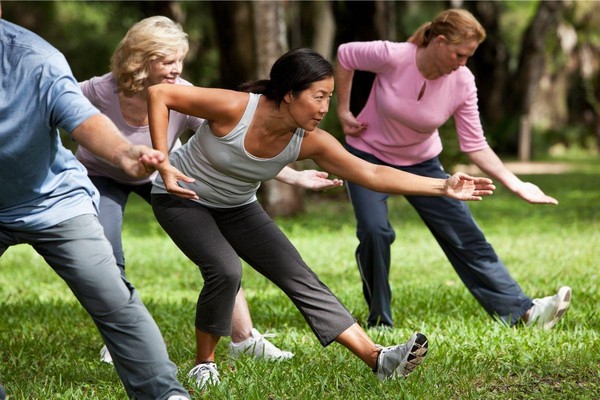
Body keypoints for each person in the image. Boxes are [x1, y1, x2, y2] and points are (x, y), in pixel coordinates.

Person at [146, 47, 495, 388]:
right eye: (318, 96)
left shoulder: (309, 141)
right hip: (182, 198)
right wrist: (163, 161)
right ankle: (203, 365)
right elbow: (160, 93)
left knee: (298, 275)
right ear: (288, 94)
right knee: (225, 269)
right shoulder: (236, 108)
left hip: (238, 206)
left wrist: (442, 186)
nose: (324, 108)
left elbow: (371, 174)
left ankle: (378, 358)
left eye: (329, 97)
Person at [77, 16, 340, 366]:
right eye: (167, 60)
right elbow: (54, 109)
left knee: (221, 257)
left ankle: (244, 338)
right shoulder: (98, 90)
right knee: (108, 253)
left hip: (164, 175)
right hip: (102, 175)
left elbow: (233, 148)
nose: (176, 68)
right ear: (139, 60)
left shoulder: (184, 94)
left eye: (180, 59)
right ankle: (121, 335)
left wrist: (293, 176)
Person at [334, 8, 571, 330]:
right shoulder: (395, 56)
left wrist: (516, 184)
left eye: (469, 56)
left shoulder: (462, 81)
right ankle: (380, 321)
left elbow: (474, 144)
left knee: (466, 235)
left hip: (422, 163)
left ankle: (523, 313)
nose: (463, 63)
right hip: (367, 156)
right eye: (460, 54)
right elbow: (345, 55)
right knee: (375, 232)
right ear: (440, 42)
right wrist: (344, 111)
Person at [0, 8, 190, 400]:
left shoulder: (36, 60)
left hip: (53, 202)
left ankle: (165, 394)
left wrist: (125, 154)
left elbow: (84, 119)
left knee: (113, 299)